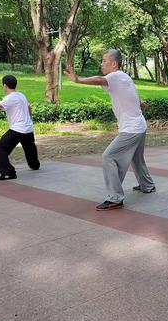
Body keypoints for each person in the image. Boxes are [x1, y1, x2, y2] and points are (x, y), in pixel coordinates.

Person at [64, 49, 156, 211]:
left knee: (109, 156)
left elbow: (100, 80)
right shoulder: (124, 77)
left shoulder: (114, 76)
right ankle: (147, 186)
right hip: (139, 125)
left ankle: (115, 198)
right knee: (136, 158)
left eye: (104, 60)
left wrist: (78, 79)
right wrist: (139, 103)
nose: (101, 63)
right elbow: (133, 94)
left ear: (114, 63)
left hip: (131, 129)